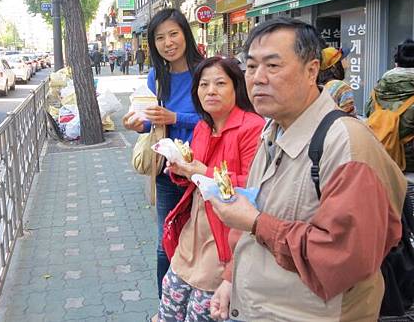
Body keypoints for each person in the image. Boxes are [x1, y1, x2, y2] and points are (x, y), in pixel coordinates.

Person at [207, 17, 406, 321]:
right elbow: (258, 211)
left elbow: (345, 258)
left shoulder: (347, 145)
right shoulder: (272, 129)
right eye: (250, 66)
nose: (257, 78)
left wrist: (258, 223)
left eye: (273, 66)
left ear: (312, 70)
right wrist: (231, 278)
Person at [158, 57, 264, 321]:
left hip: (225, 239)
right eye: (203, 85)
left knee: (201, 312)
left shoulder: (252, 126)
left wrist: (201, 171)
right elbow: (195, 177)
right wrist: (181, 171)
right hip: (194, 231)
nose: (210, 91)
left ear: (236, 88)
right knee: (169, 302)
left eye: (219, 83)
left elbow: (255, 187)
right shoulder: (204, 126)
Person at [122, 8, 203, 302]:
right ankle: (166, 308)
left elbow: (216, 118)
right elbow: (152, 120)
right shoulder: (157, 76)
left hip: (201, 169)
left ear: (185, 34)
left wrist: (175, 117)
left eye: (173, 34)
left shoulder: (206, 71)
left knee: (203, 243)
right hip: (168, 172)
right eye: (160, 38)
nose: (168, 42)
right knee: (164, 243)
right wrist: (136, 124)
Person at [365, 38, 414, 173]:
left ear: (396, 62)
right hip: (409, 159)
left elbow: (368, 111)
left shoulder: (379, 87)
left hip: (381, 150)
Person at [317, 46, 356, 115]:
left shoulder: (318, 86)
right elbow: (350, 118)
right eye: (344, 59)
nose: (347, 65)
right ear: (334, 66)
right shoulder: (342, 87)